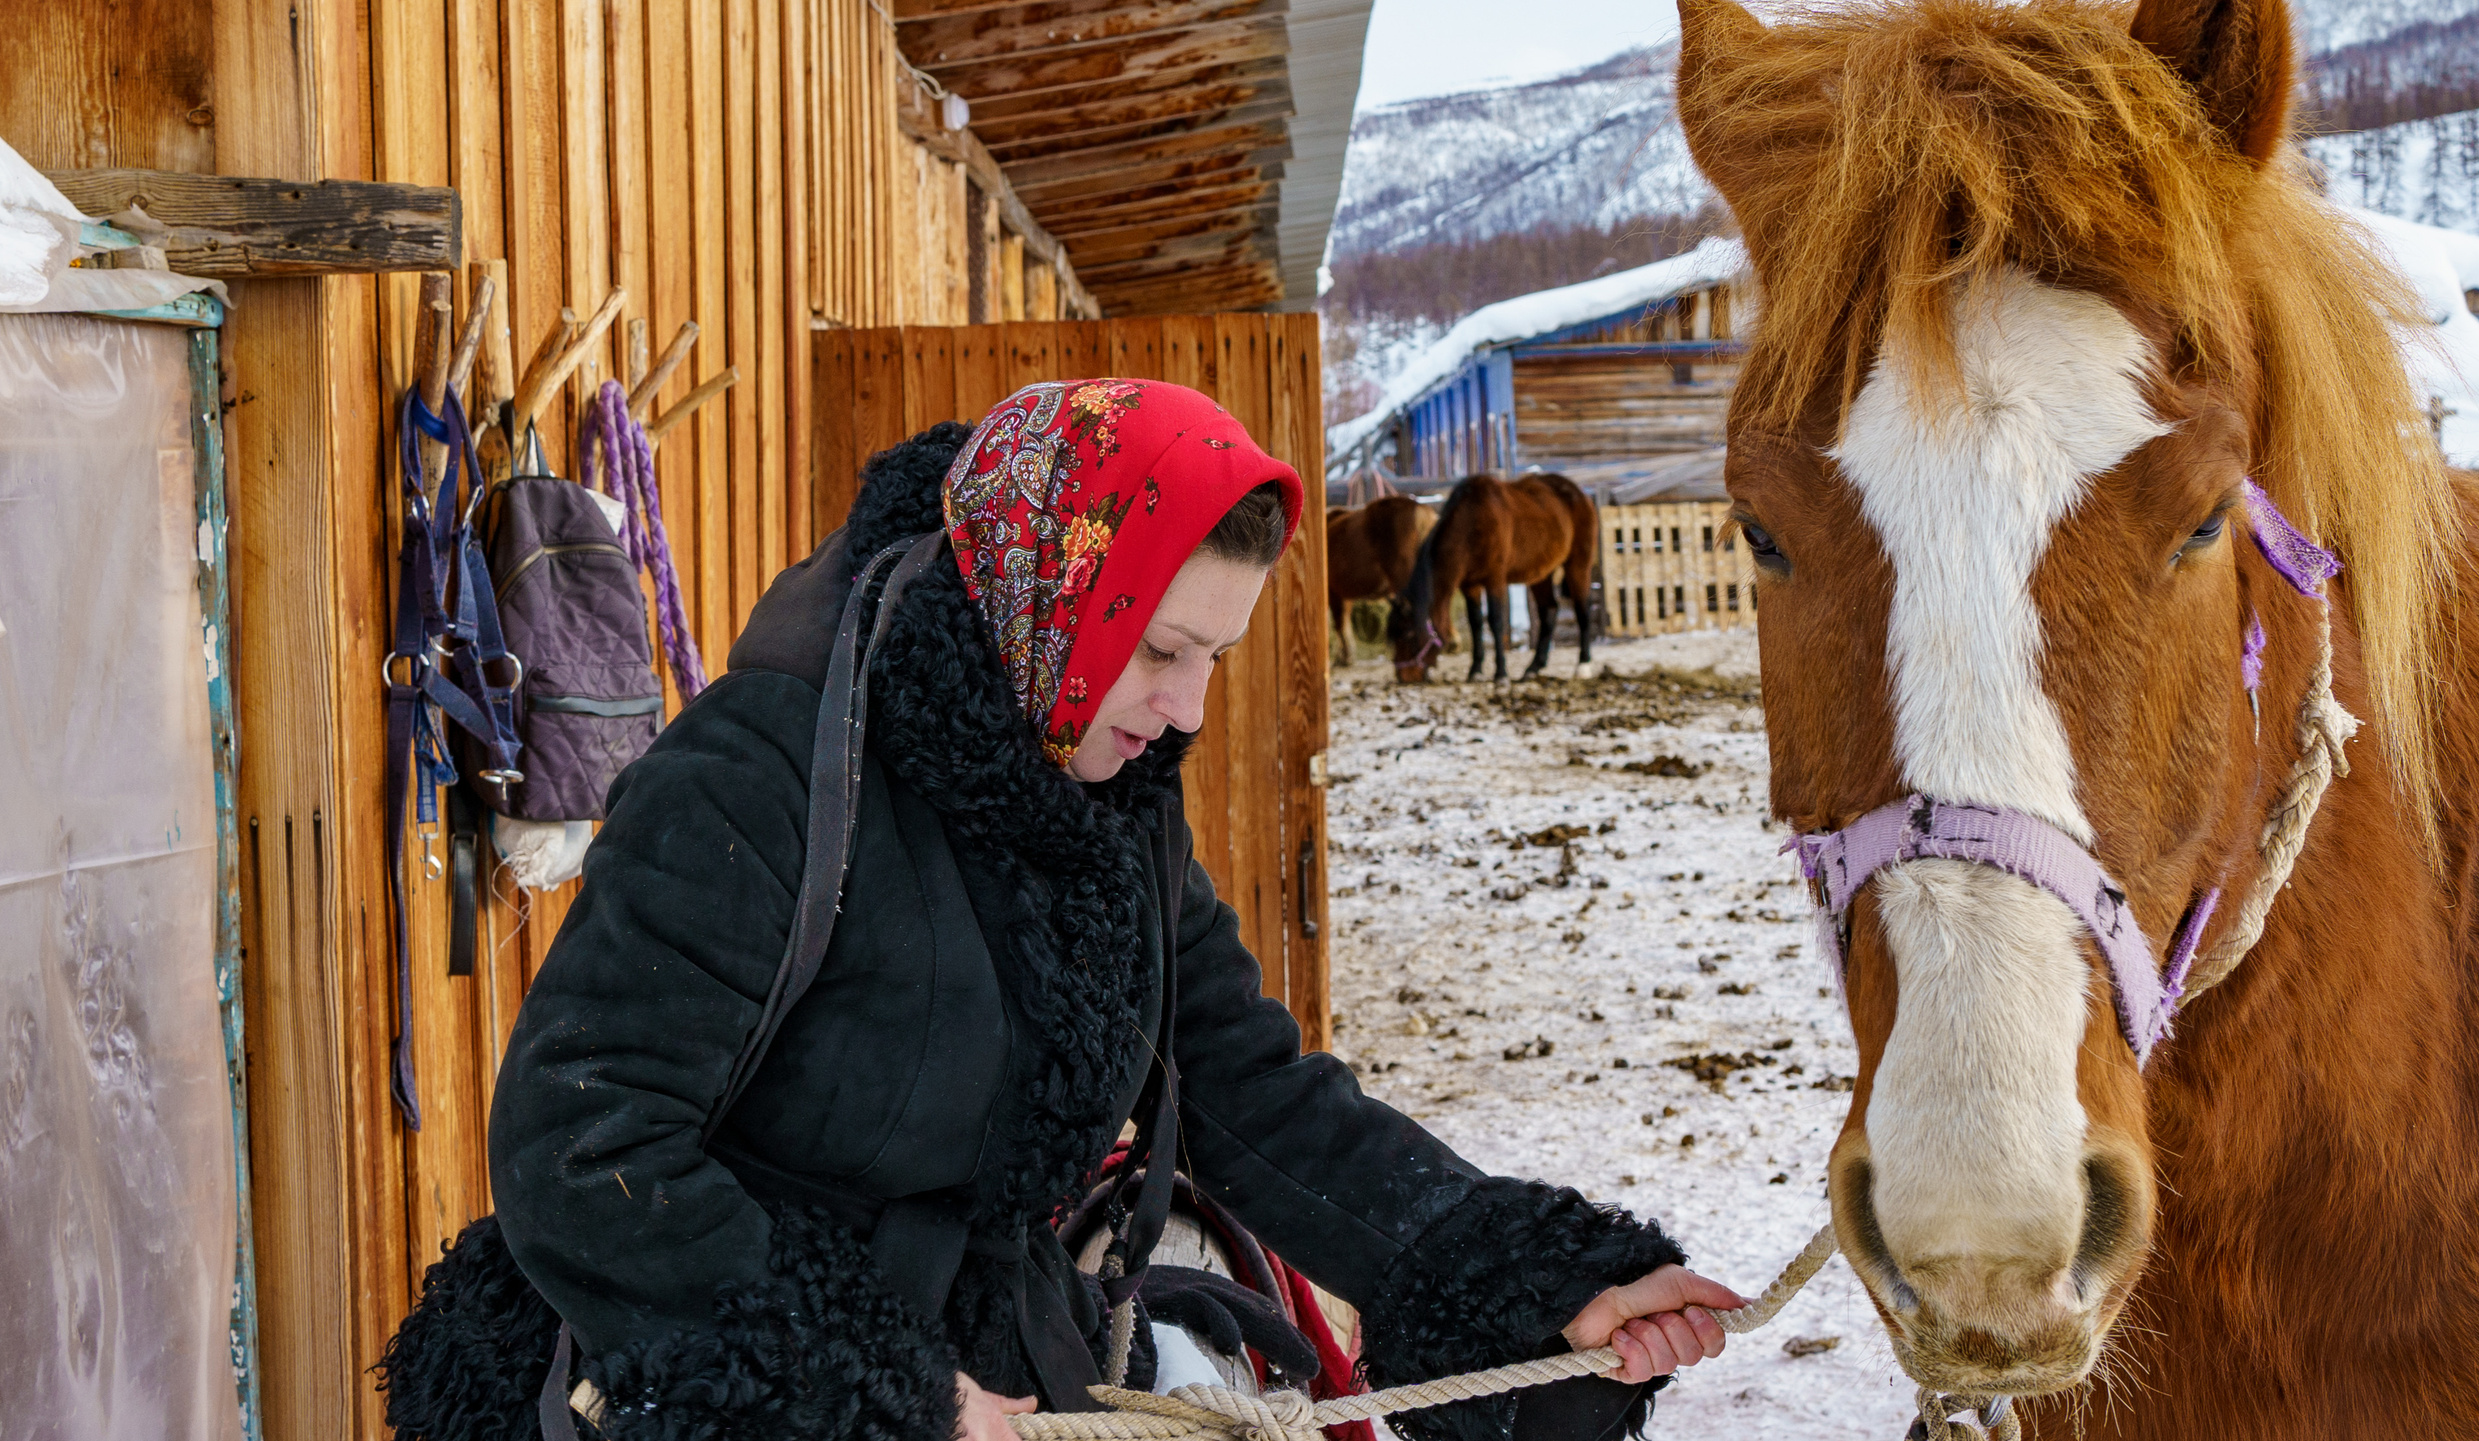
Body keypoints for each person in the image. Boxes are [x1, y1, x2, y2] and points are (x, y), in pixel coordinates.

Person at [380, 380, 1739, 1441]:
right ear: (1052, 594)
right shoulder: (761, 778)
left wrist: (1528, 1274)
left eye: (1215, 656)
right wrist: (872, 1392)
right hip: (738, 1382)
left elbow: (1253, 1092)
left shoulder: (1111, 801)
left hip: (1005, 1363)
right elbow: (577, 1137)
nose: (1190, 706)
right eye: (1161, 649)